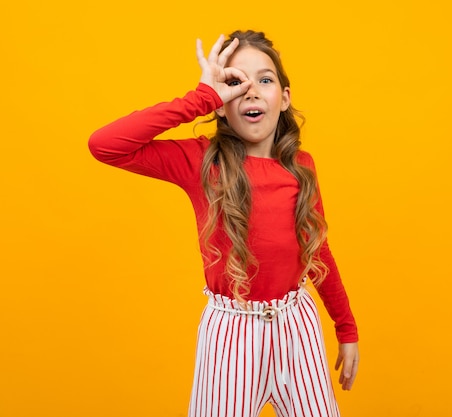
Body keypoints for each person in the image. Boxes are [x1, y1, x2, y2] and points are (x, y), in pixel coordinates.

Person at [88, 30, 359, 417]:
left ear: (284, 98)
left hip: (297, 327)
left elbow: (318, 250)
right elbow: (105, 144)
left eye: (264, 80)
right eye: (235, 82)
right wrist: (200, 97)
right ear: (221, 103)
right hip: (232, 335)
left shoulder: (303, 167)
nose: (250, 92)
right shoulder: (201, 163)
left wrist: (345, 328)